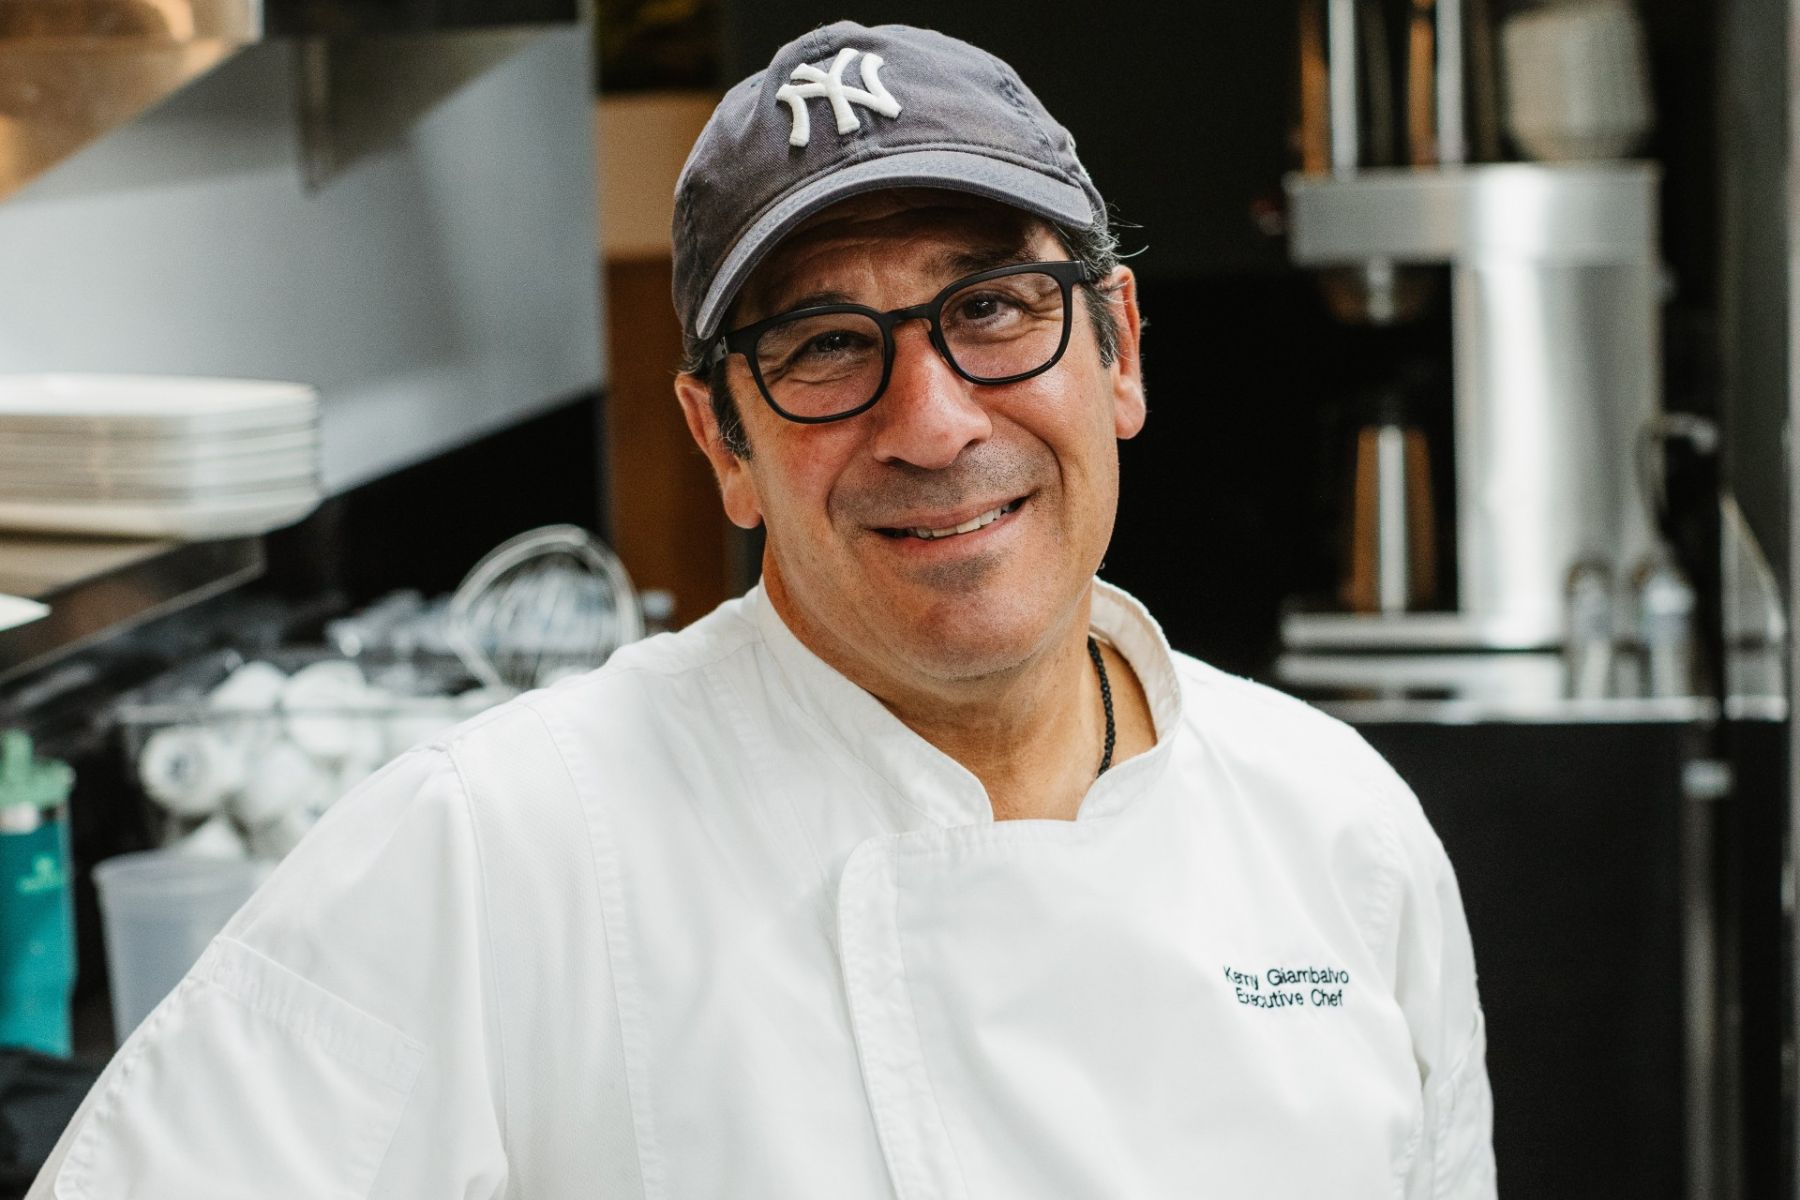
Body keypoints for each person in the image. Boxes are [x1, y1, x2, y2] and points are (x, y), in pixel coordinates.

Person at [27, 21, 1494, 1199]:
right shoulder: (490, 850)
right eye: (822, 345)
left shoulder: (1333, 829)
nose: (931, 422)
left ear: (1115, 349)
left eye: (991, 307)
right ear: (722, 441)